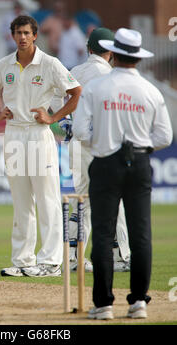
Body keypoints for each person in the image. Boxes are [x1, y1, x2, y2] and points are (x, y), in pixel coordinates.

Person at [72, 28, 173, 319]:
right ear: (138, 58)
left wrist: (104, 143)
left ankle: (103, 304)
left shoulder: (96, 87)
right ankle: (138, 301)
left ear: (113, 54)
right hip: (140, 162)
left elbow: (80, 131)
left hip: (105, 161)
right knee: (141, 234)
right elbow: (164, 136)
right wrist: (140, 147)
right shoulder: (150, 90)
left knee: (103, 233)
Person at [0, 15, 82, 277]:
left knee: (47, 198)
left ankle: (50, 262)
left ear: (35, 35)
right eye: (18, 33)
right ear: (12, 35)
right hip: (14, 133)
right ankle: (22, 260)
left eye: (27, 32)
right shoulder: (5, 64)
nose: (22, 37)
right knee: (21, 200)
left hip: (39, 133)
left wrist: (52, 118)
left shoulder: (49, 63)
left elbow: (76, 92)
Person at [66, 28, 131, 273]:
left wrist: (65, 123)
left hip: (78, 144)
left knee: (82, 200)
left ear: (89, 48)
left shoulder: (74, 71)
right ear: (111, 51)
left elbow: (54, 100)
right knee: (114, 198)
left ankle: (74, 258)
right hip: (103, 145)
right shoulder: (112, 75)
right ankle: (120, 256)